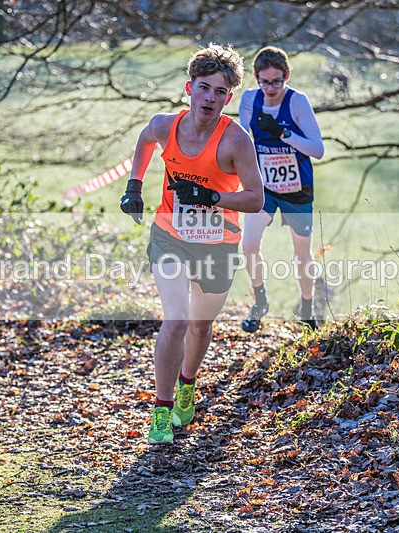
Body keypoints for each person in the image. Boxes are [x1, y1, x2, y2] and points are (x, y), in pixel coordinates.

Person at [119, 44, 264, 445]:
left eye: (220, 92)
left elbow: (256, 198)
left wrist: (212, 198)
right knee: (177, 320)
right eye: (204, 88)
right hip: (170, 235)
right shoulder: (168, 126)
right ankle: (161, 411)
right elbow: (146, 138)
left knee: (200, 326)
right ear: (189, 87)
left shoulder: (236, 141)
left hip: (217, 244)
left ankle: (188, 383)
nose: (210, 98)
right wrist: (134, 186)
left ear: (229, 97)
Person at [238, 46, 325, 333]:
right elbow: (244, 145)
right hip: (264, 187)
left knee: (302, 253)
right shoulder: (250, 101)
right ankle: (260, 301)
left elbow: (318, 149)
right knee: (249, 245)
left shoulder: (297, 102)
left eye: (277, 81)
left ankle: (307, 308)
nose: (271, 88)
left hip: (297, 188)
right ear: (256, 78)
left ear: (287, 76)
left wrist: (284, 134)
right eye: (265, 81)